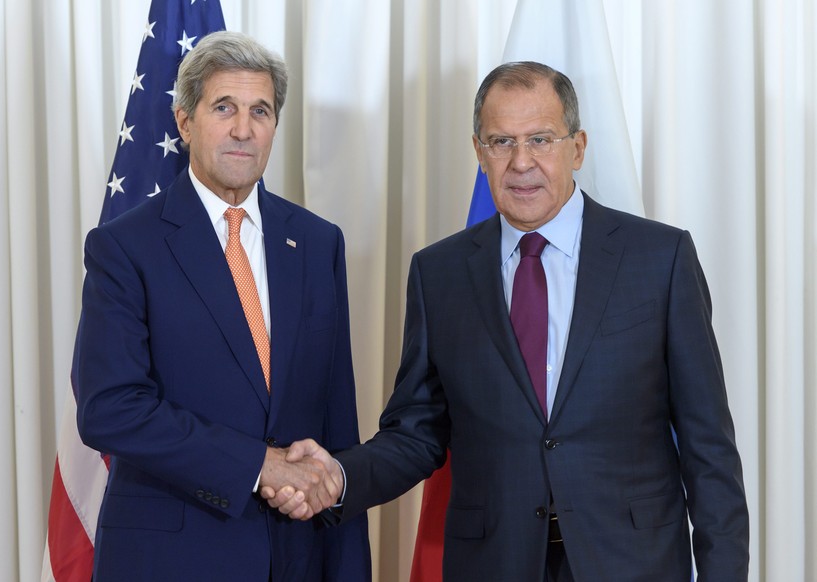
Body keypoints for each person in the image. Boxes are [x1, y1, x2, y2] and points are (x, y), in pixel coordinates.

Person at [266, 62, 749, 581]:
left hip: (633, 562)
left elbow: (708, 448)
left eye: (540, 139)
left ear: (577, 147)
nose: (521, 162)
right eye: (501, 142)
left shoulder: (660, 257)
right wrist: (335, 475)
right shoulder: (439, 272)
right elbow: (417, 432)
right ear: (479, 152)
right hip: (493, 563)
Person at [74, 31, 370, 581]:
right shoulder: (124, 246)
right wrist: (258, 465)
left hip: (297, 555)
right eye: (224, 108)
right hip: (172, 559)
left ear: (275, 126)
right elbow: (109, 408)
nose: (243, 128)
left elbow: (337, 419)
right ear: (185, 122)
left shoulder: (317, 242)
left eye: (260, 110)